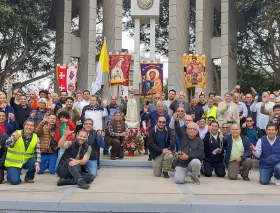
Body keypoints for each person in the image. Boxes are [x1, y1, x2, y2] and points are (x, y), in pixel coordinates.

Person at [5, 119, 41, 185]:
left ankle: (28, 177)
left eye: (31, 126)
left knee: (35, 162)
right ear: (24, 126)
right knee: (15, 182)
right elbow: (7, 144)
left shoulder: (36, 138)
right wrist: (14, 139)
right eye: (27, 125)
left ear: (34, 128)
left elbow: (37, 152)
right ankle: (11, 175)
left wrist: (37, 163)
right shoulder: (16, 133)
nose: (29, 127)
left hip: (26, 161)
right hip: (13, 163)